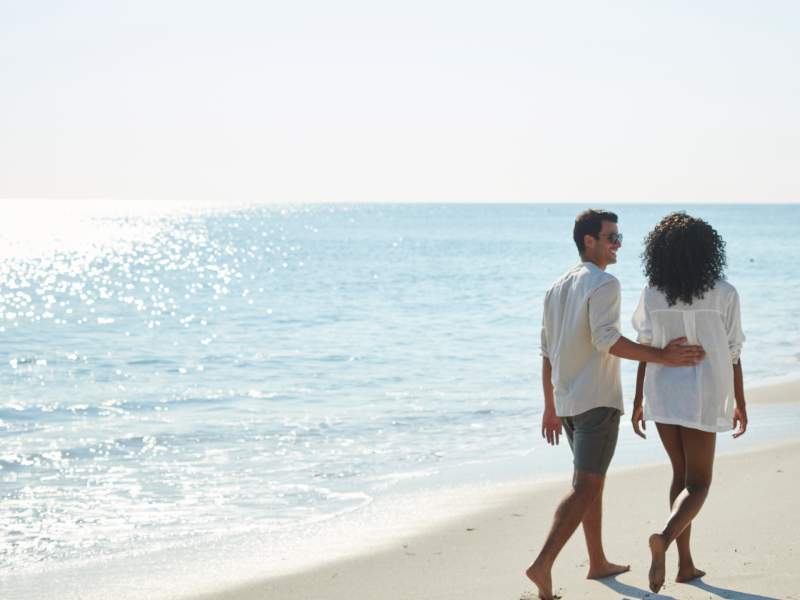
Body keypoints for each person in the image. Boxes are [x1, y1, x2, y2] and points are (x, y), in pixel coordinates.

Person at [526, 209, 706, 600]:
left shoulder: (556, 287)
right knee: (587, 485)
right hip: (596, 401)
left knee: (590, 483)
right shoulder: (604, 283)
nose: (618, 244)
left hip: (568, 400)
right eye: (611, 237)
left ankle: (597, 561)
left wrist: (550, 406)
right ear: (588, 240)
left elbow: (546, 353)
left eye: (618, 237)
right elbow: (606, 339)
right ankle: (542, 564)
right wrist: (662, 356)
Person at [630, 212, 747, 593]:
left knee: (680, 478)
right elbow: (733, 352)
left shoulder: (652, 292)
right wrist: (740, 401)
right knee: (699, 484)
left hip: (662, 391)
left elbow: (646, 348)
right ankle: (663, 538)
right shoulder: (724, 292)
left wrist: (637, 401)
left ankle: (686, 564)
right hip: (704, 394)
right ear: (707, 251)